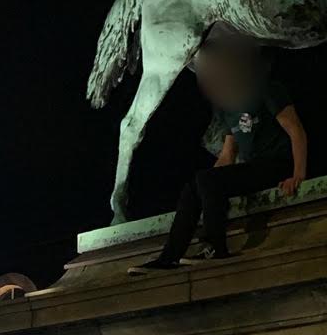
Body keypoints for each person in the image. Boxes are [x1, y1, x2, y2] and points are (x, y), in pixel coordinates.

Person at [131, 48, 308, 272]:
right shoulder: (228, 107)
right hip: (253, 167)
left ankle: (216, 247)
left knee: (206, 180)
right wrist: (204, 185)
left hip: (278, 163)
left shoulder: (267, 88)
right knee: (193, 186)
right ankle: (169, 258)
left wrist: (298, 175)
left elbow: (296, 130)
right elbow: (227, 155)